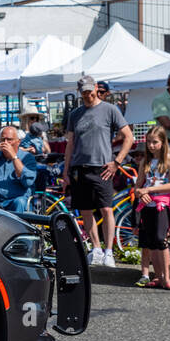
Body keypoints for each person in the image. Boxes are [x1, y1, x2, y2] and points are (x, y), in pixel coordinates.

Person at [63, 75, 134, 267]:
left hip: (102, 166)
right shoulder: (75, 114)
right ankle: (96, 249)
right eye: (84, 91)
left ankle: (109, 251)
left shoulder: (110, 109)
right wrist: (66, 171)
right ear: (80, 92)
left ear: (96, 87)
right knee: (85, 210)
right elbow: (70, 143)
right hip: (80, 167)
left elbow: (129, 136)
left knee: (106, 208)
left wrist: (117, 162)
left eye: (90, 90)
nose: (88, 94)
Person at [134, 126, 170, 290]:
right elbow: (138, 186)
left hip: (162, 204)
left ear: (163, 142)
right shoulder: (145, 162)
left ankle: (166, 277)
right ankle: (158, 276)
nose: (151, 146)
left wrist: (149, 190)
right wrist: (140, 192)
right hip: (147, 205)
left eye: (155, 142)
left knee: (161, 239)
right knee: (152, 241)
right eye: (149, 142)